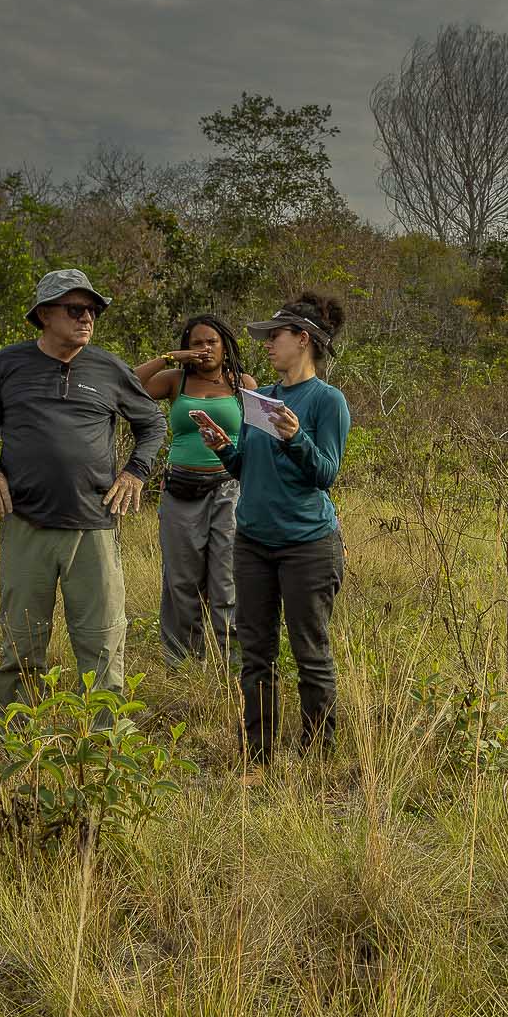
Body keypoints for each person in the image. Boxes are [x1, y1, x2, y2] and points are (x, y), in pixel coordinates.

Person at [0, 269, 167, 708]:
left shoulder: (109, 367)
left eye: (92, 310)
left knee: (103, 643)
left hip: (93, 525)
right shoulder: (8, 365)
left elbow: (152, 422)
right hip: (26, 524)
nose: (87, 319)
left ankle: (104, 743)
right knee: (21, 644)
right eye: (75, 309)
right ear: (43, 314)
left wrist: (135, 471)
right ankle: (18, 743)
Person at [190, 293, 350, 764]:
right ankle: (257, 757)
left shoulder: (327, 401)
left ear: (303, 340)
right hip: (253, 543)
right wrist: (223, 447)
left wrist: (296, 436)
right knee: (255, 655)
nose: (266, 346)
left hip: (307, 545)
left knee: (310, 655)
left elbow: (324, 474)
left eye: (274, 337)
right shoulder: (265, 399)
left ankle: (317, 759)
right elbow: (248, 468)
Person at [133, 315, 257, 664]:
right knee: (181, 582)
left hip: (229, 490)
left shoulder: (241, 383)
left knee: (227, 580)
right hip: (181, 491)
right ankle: (182, 664)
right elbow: (126, 385)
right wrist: (171, 358)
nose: (204, 349)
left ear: (224, 346)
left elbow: (261, 433)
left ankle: (231, 664)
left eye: (211, 342)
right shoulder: (175, 380)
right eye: (197, 343)